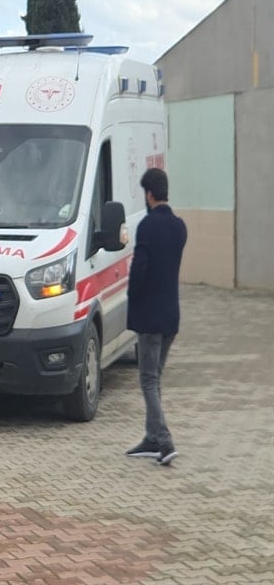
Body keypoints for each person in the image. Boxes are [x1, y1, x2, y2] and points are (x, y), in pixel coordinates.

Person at [125, 168, 187, 466]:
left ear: (149, 194)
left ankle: (164, 441)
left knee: (148, 380)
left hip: (149, 316)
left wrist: (132, 293)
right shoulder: (179, 227)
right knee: (155, 378)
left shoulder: (147, 226)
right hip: (171, 315)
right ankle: (151, 438)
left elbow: (140, 269)